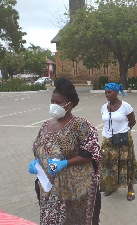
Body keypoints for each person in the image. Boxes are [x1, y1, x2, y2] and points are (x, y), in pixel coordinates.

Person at [28, 77, 102, 225]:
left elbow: (91, 153)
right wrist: (36, 162)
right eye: (52, 101)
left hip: (75, 190)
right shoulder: (45, 125)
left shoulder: (80, 125)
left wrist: (65, 163)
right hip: (49, 188)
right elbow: (38, 147)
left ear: (70, 104)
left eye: (58, 102)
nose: (54, 105)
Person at [100, 83, 137, 201]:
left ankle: (130, 187)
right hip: (108, 139)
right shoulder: (103, 107)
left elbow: (132, 121)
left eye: (110, 92)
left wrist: (123, 132)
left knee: (126, 163)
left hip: (123, 139)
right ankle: (112, 186)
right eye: (106, 92)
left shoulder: (125, 106)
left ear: (116, 92)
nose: (107, 95)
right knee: (109, 163)